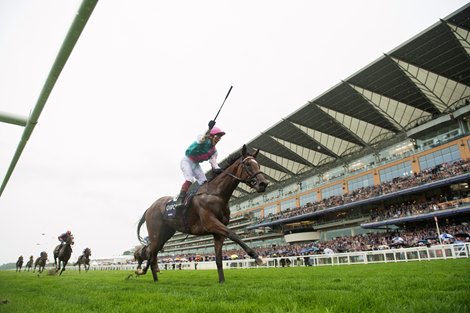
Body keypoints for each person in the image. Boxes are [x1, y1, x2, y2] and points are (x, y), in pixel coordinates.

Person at [175, 120, 225, 209]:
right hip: (187, 161)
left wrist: (218, 169)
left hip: (196, 165)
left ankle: (196, 198)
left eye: (219, 138)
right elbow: (202, 138)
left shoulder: (214, 151)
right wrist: (209, 129)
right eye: (217, 137)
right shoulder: (202, 139)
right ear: (211, 136)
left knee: (204, 182)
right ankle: (180, 199)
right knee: (190, 179)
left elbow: (214, 162)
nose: (218, 140)